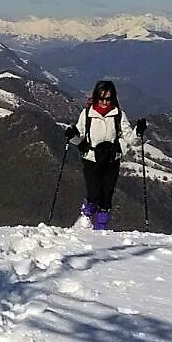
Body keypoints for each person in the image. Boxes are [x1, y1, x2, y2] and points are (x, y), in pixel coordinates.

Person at [64, 80, 147, 230]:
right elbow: (80, 136)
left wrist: (138, 132)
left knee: (106, 197)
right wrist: (72, 136)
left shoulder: (118, 115)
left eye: (108, 99)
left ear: (113, 98)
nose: (104, 102)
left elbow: (131, 139)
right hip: (91, 159)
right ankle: (87, 214)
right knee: (93, 193)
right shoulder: (87, 114)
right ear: (96, 97)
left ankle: (101, 228)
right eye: (101, 98)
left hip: (111, 160)